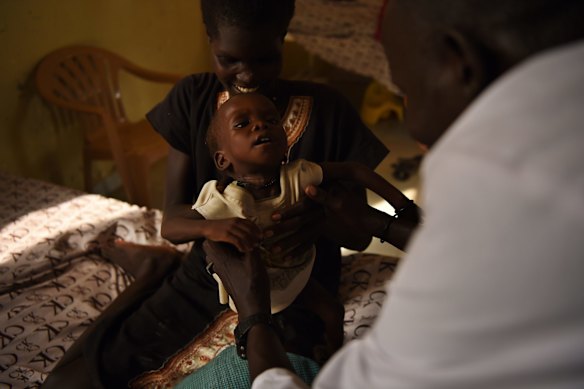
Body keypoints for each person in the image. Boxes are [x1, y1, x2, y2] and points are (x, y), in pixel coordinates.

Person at [195, 0, 584, 387]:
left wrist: (254, 318)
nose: (411, 122)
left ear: (458, 63)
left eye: (405, 91)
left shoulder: (496, 191)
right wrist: (388, 224)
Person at [42, 0, 409, 387]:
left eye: (265, 59)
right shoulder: (193, 98)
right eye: (228, 59)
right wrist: (213, 232)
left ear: (283, 39)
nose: (247, 75)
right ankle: (157, 271)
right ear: (209, 40)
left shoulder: (329, 111)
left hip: (294, 289)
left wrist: (320, 221)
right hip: (207, 275)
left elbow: (358, 234)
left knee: (266, 376)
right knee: (69, 383)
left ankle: (155, 270)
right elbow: (175, 212)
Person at [193, 92, 417, 358]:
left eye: (270, 120)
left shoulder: (298, 175)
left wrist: (402, 206)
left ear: (285, 142)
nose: (260, 125)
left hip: (296, 272)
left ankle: (333, 358)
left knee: (333, 312)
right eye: (242, 124)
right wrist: (208, 229)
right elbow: (172, 227)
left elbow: (355, 170)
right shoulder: (225, 198)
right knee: (273, 337)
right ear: (222, 160)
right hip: (252, 288)